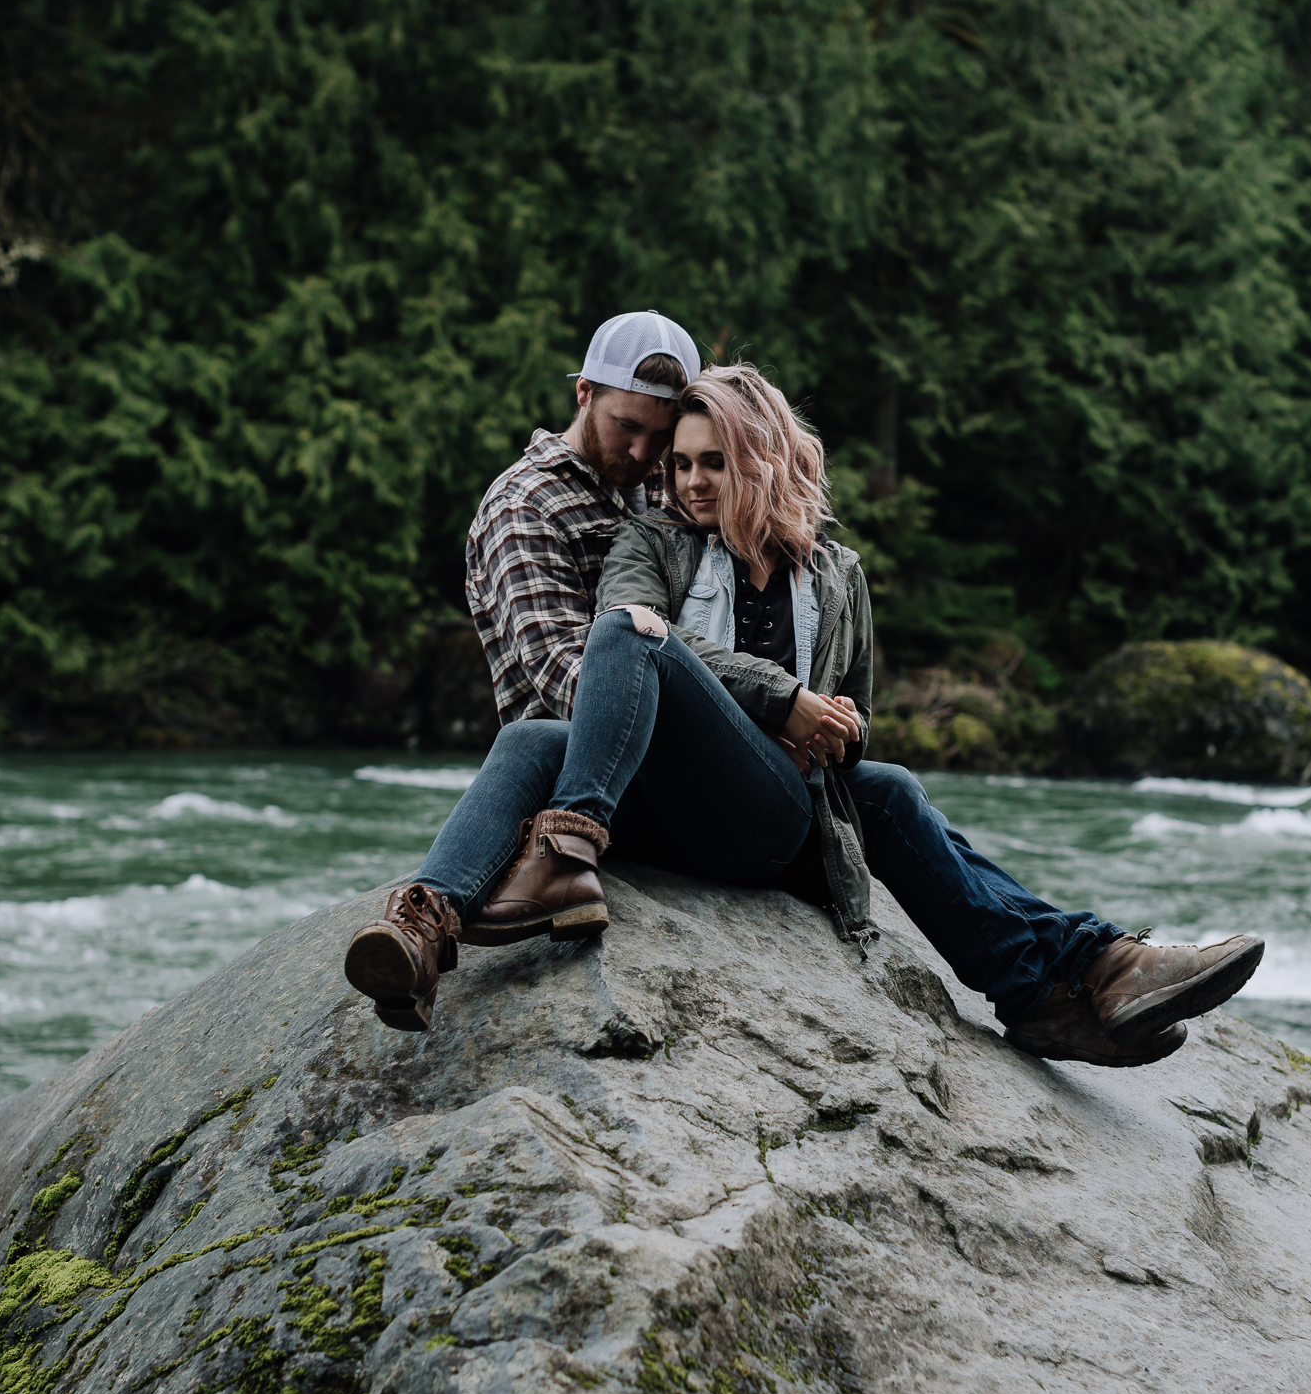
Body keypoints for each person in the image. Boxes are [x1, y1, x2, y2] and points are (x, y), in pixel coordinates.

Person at [345, 357, 1264, 1064]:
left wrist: (840, 725)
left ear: (764, 460)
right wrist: (780, 699)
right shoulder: (648, 542)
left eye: (715, 462)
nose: (692, 482)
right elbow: (631, 641)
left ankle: (1088, 971)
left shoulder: (836, 573)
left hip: (770, 820)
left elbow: (858, 708)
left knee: (888, 786)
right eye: (679, 464)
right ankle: (426, 925)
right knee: (578, 686)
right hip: (656, 808)